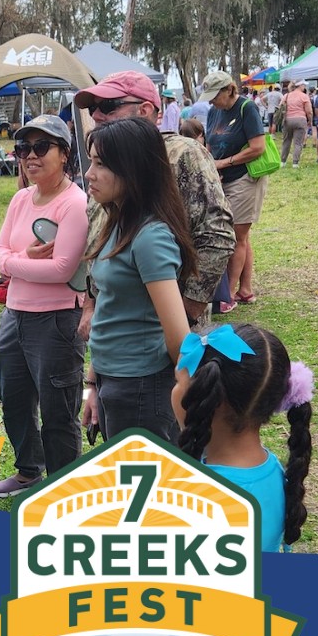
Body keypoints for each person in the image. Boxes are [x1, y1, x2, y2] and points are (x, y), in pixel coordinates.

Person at [73, 71, 234, 334]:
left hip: (168, 330)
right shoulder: (101, 163)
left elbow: (216, 234)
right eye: (92, 108)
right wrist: (91, 307)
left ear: (145, 110)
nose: (96, 115)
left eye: (108, 106)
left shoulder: (182, 154)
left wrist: (184, 314)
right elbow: (97, 239)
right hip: (116, 329)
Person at [0, 115, 88, 497]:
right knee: (14, 401)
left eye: (41, 147)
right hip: (14, 316)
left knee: (58, 411)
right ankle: (29, 471)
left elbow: (62, 269)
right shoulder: (19, 199)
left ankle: (64, 491)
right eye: (24, 149)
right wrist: (23, 260)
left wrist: (14, 263)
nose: (31, 156)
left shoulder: (74, 203)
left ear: (64, 154)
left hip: (57, 320)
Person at [82, 117, 197, 442]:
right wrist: (94, 385)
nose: (89, 174)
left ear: (133, 169)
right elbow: (109, 309)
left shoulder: (150, 237)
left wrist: (191, 398)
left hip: (142, 388)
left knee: (141, 490)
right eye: (92, 162)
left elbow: (177, 334)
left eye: (101, 164)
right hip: (113, 380)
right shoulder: (117, 222)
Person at [173, 323, 312, 551]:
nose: (174, 389)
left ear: (207, 400)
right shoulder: (274, 472)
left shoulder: (197, 499)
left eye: (178, 381)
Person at [199, 71, 268, 311]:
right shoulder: (213, 112)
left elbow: (257, 147)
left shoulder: (246, 108)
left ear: (229, 89)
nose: (211, 101)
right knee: (241, 236)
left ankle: (226, 295)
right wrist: (210, 167)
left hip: (244, 179)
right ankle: (245, 290)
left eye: (215, 95)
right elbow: (209, 146)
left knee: (235, 237)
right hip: (221, 179)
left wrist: (225, 163)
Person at [280, 79, 312, 167]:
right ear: (300, 85)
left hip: (288, 120)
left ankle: (283, 162)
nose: (304, 87)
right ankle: (295, 163)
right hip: (300, 119)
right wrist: (310, 121)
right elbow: (309, 111)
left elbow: (281, 107)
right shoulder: (304, 96)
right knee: (298, 142)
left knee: (286, 141)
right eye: (304, 85)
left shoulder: (286, 95)